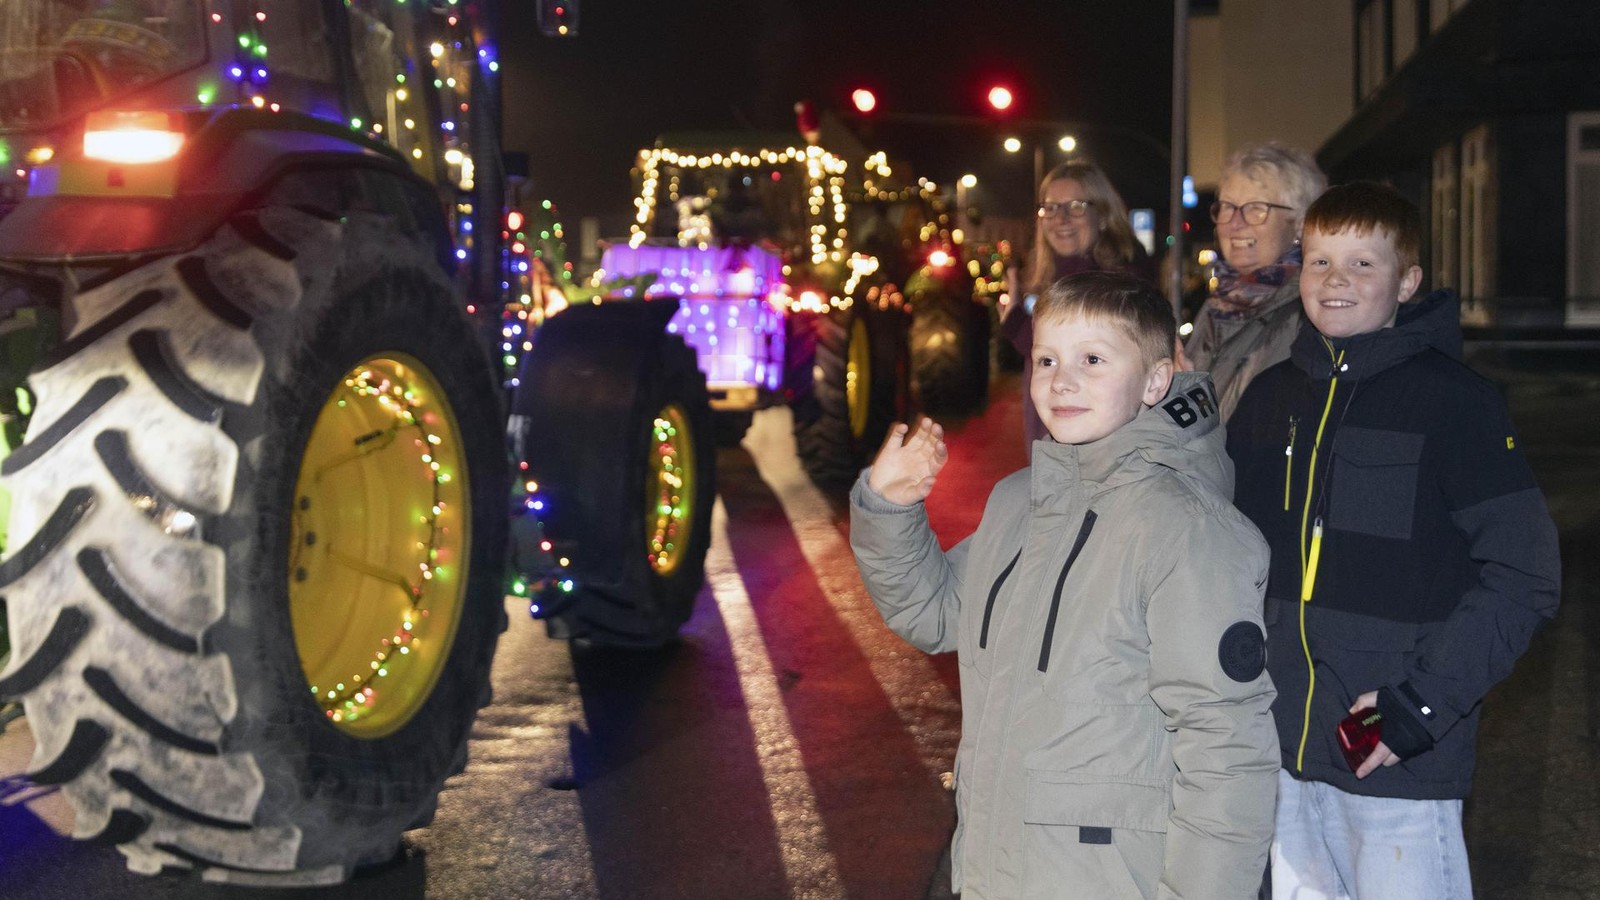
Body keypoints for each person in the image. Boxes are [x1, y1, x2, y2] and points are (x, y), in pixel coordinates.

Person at [852, 271, 1278, 898]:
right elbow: (936, 613)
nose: (1062, 379)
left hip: (1107, 878)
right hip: (997, 863)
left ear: (1156, 381)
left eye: (1093, 359)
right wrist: (890, 509)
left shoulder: (1187, 530)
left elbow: (1226, 747)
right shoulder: (1021, 501)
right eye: (1046, 358)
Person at [1225, 182, 1562, 899]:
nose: (1335, 281)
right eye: (1319, 262)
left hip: (1391, 761)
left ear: (1408, 281)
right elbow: (1220, 552)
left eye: (1362, 264)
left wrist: (1418, 707)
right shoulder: (1269, 399)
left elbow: (1525, 573)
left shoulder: (1455, 403)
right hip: (1278, 755)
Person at [1002, 160, 1155, 447]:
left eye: (1076, 207)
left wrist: (1015, 325)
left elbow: (1079, 357)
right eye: (1051, 208)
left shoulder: (1119, 284)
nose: (1061, 219)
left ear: (1103, 215)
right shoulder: (1047, 275)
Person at [1183, 143, 1326, 421]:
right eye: (1226, 207)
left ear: (1300, 224)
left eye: (1256, 208)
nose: (1234, 223)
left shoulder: (1310, 313)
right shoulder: (1220, 302)